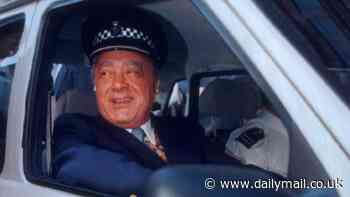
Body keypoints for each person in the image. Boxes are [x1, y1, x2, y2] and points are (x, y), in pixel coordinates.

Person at [52, 5, 204, 196]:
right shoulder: (76, 129)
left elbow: (235, 180)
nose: (118, 85)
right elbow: (74, 165)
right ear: (95, 83)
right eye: (105, 73)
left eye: (132, 72)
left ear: (155, 84)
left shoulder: (186, 131)